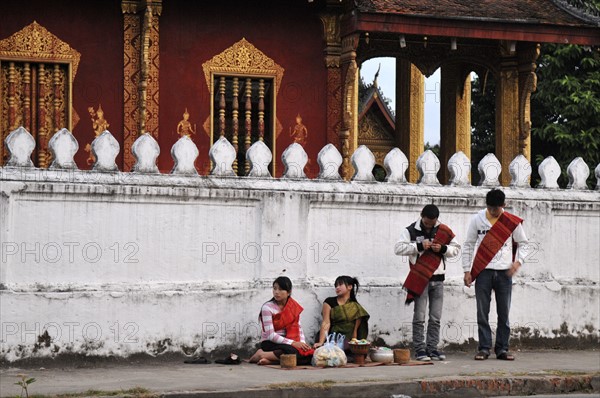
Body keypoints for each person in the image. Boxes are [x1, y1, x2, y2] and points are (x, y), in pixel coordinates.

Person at [462, 189, 529, 361]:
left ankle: (502, 349)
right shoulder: (477, 219)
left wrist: (518, 262)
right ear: (487, 205)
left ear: (503, 205)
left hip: (504, 272)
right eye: (490, 208)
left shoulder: (510, 221)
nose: (493, 212)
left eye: (496, 209)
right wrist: (467, 270)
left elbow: (524, 244)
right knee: (482, 312)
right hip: (483, 271)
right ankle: (484, 348)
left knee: (504, 313)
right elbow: (469, 245)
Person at [394, 204, 460, 361]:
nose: (429, 225)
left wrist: (443, 248)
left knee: (435, 317)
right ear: (421, 216)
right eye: (427, 222)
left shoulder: (443, 230)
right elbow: (397, 249)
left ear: (436, 219)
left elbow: (456, 248)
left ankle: (432, 348)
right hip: (420, 279)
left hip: (438, 279)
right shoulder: (410, 230)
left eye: (432, 223)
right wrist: (418, 246)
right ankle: (419, 349)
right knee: (419, 316)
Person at [249, 276, 314, 365]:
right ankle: (261, 354)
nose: (276, 292)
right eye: (275, 289)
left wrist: (302, 344)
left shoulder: (293, 307)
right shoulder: (267, 308)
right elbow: (271, 335)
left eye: (280, 289)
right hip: (271, 343)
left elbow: (299, 328)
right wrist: (294, 343)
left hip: (289, 342)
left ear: (289, 292)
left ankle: (269, 360)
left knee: (308, 355)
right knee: (291, 352)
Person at [313, 276, 369, 351]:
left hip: (347, 340)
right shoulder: (329, 302)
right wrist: (320, 342)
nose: (337, 287)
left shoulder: (356, 307)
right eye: (336, 286)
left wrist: (354, 344)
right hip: (332, 337)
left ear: (350, 287)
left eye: (340, 285)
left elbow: (354, 330)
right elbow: (326, 322)